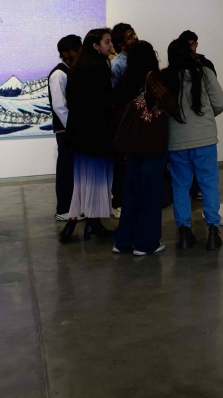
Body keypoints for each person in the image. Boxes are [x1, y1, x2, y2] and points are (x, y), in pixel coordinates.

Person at [110, 41, 178, 256]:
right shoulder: (153, 79)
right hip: (151, 143)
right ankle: (146, 243)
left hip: (130, 144)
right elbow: (171, 105)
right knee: (150, 191)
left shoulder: (124, 82)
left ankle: (122, 241)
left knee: (131, 191)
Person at [164, 38, 223, 251]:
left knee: (180, 186)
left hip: (176, 140)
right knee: (209, 184)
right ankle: (213, 232)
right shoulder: (205, 73)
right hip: (204, 138)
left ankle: (184, 232)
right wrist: (205, 117)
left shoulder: (165, 77)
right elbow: (220, 102)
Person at [59, 28, 115, 243]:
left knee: (83, 179)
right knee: (98, 177)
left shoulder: (77, 66)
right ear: (96, 45)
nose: (111, 46)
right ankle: (92, 223)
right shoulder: (99, 66)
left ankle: (77, 222)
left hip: (79, 132)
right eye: (107, 42)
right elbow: (105, 102)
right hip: (96, 132)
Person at [50, 34, 82, 221]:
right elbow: (59, 106)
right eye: (76, 50)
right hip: (66, 130)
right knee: (65, 169)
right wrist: (73, 128)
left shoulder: (71, 71)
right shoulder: (59, 74)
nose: (79, 53)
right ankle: (63, 209)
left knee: (73, 169)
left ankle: (73, 208)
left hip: (71, 129)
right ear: (65, 53)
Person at [179, 29, 214, 200]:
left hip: (197, 122)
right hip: (185, 124)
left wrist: (208, 112)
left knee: (201, 169)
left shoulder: (206, 65)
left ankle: (197, 189)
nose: (190, 48)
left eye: (192, 44)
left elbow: (214, 93)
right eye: (187, 44)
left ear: (197, 44)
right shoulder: (176, 67)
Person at [109, 23, 137, 218]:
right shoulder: (118, 65)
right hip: (124, 120)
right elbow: (114, 96)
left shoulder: (136, 60)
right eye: (130, 36)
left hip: (137, 119)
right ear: (121, 45)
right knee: (122, 163)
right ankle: (117, 201)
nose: (135, 38)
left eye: (133, 34)